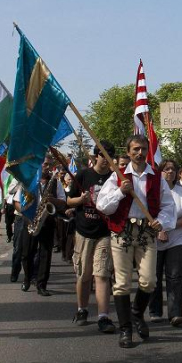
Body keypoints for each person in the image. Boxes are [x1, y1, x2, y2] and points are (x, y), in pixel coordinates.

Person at [96, 134, 177, 348]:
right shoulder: (117, 176)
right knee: (121, 283)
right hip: (122, 232)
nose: (139, 153)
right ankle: (126, 330)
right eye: (135, 149)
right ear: (129, 151)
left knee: (149, 280)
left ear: (147, 151)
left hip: (146, 233)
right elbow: (103, 206)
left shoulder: (157, 177)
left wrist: (161, 222)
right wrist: (120, 193)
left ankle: (137, 313)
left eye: (143, 149)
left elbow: (169, 207)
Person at [67, 141, 117, 334]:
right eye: (104, 155)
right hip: (83, 231)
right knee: (84, 274)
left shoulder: (114, 178)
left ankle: (103, 316)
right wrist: (81, 200)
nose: (107, 160)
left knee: (102, 274)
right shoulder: (83, 175)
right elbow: (68, 200)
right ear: (96, 156)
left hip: (105, 232)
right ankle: (82, 309)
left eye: (110, 156)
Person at [15, 154, 67, 296]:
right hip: (30, 221)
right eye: (45, 164)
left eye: (49, 165)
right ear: (38, 165)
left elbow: (63, 202)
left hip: (47, 222)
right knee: (26, 253)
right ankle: (27, 278)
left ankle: (41, 285)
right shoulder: (28, 181)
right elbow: (16, 201)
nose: (47, 167)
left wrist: (53, 200)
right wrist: (27, 216)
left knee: (45, 254)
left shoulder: (56, 182)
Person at [148, 159, 182, 326]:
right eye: (166, 169)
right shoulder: (153, 190)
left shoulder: (181, 192)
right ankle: (155, 310)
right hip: (155, 239)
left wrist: (169, 228)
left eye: (173, 169)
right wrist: (159, 230)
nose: (170, 172)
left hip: (177, 239)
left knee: (174, 276)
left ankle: (175, 313)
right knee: (154, 276)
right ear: (160, 171)